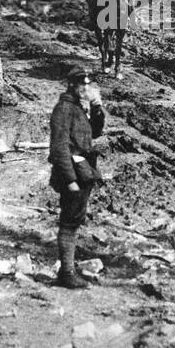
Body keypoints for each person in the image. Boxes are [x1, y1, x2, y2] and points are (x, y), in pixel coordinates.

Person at [48, 66, 106, 290]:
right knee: (69, 223)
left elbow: (94, 133)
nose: (86, 88)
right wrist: (70, 179)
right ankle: (67, 273)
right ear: (71, 85)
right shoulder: (63, 109)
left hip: (83, 171)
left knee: (74, 220)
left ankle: (68, 269)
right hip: (73, 172)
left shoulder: (78, 108)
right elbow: (59, 148)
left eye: (88, 84)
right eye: (81, 84)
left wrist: (97, 107)